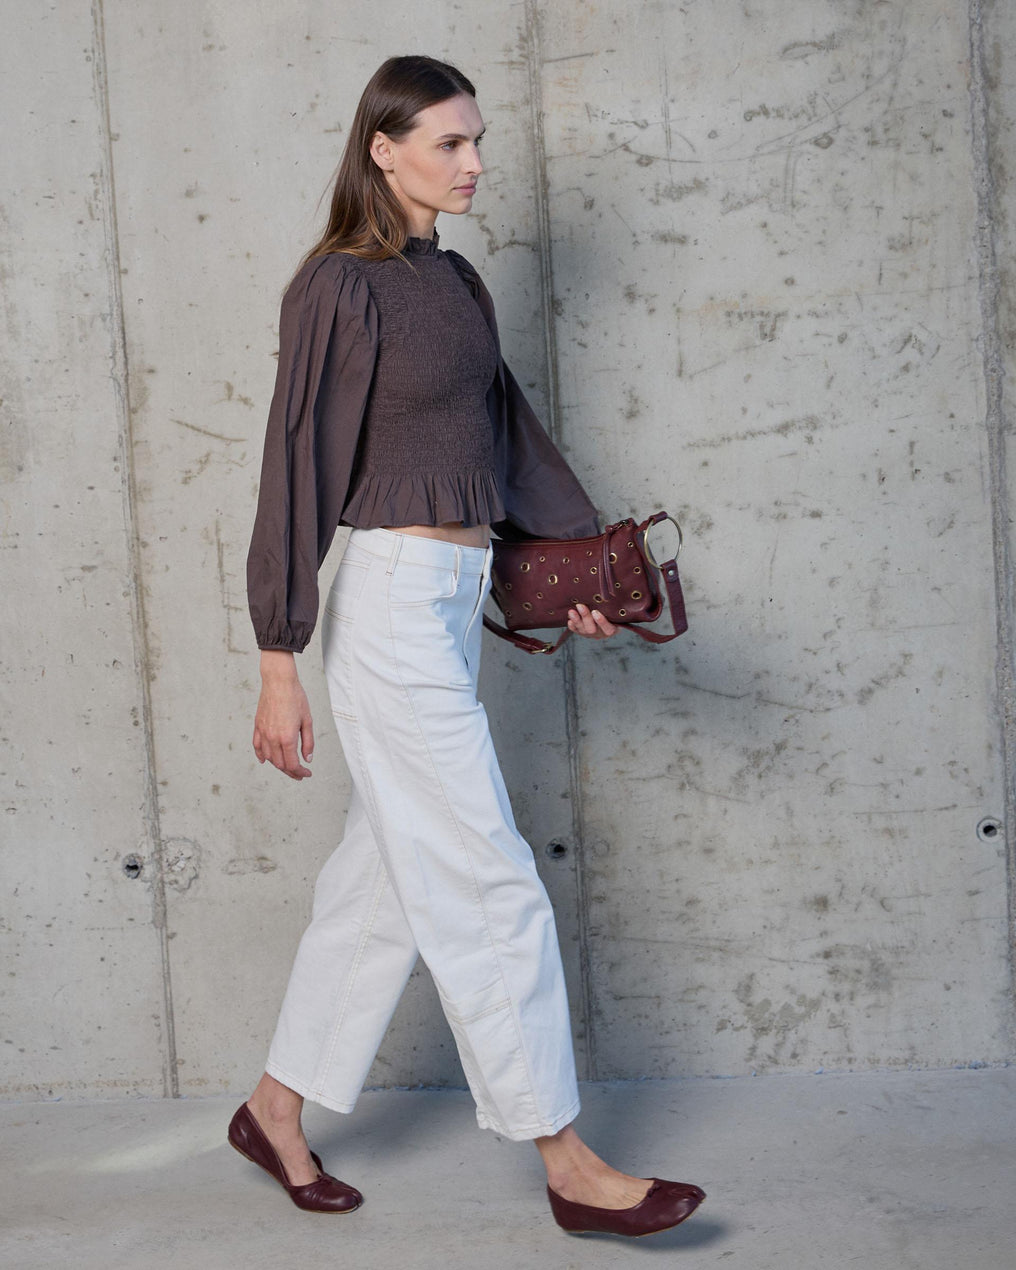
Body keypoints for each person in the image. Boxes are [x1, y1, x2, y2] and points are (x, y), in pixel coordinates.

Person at [230, 53, 705, 1238]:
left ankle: (273, 1107)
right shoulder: (336, 288)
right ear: (381, 149)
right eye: (447, 142)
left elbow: (507, 435)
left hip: (451, 597)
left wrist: (577, 568)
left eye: (476, 139)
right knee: (487, 882)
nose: (474, 161)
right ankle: (566, 1159)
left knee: (386, 887)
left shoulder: (454, 281)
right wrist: (277, 654)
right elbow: (294, 465)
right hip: (386, 608)